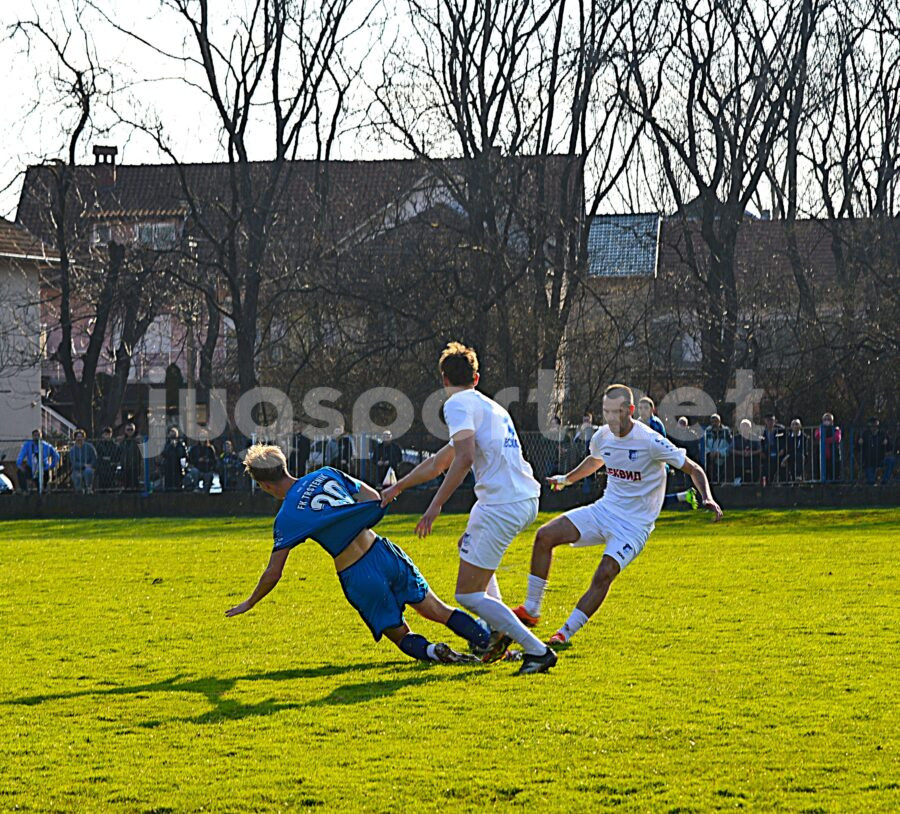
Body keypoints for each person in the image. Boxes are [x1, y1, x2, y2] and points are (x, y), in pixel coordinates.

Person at [381, 342, 556, 675]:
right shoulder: (489, 406)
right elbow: (439, 462)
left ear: (444, 380)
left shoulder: (457, 403)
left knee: (468, 595)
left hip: (501, 504)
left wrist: (434, 506)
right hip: (522, 499)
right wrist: (398, 487)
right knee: (468, 546)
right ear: (476, 378)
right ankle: (500, 633)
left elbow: (463, 459)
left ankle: (537, 650)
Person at [225, 445, 489, 665]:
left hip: (358, 574)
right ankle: (492, 645)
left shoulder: (287, 517)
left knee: (400, 634)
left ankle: (434, 651)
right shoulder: (326, 474)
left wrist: (250, 602)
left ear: (265, 485)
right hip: (383, 552)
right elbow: (372, 497)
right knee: (439, 610)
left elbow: (273, 573)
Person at [513, 383, 723, 645]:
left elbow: (693, 469)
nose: (610, 418)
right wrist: (567, 479)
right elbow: (595, 460)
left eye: (616, 412)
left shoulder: (650, 441)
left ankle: (564, 633)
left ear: (630, 410)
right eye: (606, 411)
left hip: (634, 526)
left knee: (605, 572)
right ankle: (531, 610)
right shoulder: (603, 436)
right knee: (545, 535)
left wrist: (707, 497)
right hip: (604, 510)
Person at [858, 418, 889, 486]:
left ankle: (885, 480)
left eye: (875, 426)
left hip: (880, 458)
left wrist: (887, 443)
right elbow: (857, 448)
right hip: (868, 460)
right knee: (871, 482)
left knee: (891, 460)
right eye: (872, 426)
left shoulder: (883, 434)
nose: (873, 428)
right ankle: (872, 481)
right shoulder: (865, 434)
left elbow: (889, 448)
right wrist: (859, 443)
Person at [703, 414, 732, 485]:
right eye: (712, 422)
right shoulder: (707, 431)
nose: (714, 423)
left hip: (722, 456)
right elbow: (704, 444)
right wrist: (709, 453)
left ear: (720, 421)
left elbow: (730, 445)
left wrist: (720, 453)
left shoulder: (726, 431)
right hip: (710, 456)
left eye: (716, 421)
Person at [814, 413, 842, 481]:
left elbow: (837, 438)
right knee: (822, 472)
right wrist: (828, 440)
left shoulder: (836, 429)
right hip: (822, 455)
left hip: (833, 454)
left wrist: (825, 440)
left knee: (834, 472)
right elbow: (817, 436)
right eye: (825, 419)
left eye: (829, 419)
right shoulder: (819, 429)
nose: (827, 421)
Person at [760, 414, 787, 485]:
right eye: (768, 420)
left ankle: (785, 484)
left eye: (772, 420)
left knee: (782, 467)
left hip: (778, 452)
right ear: (765, 421)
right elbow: (759, 442)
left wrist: (783, 449)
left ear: (775, 421)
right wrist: (761, 451)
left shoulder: (781, 430)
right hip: (766, 453)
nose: (770, 422)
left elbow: (784, 440)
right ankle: (767, 484)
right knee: (766, 468)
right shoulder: (761, 431)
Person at [733, 419, 762, 484]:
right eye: (743, 426)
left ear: (750, 428)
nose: (745, 428)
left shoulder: (755, 437)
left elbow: (760, 449)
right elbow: (731, 449)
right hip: (739, 460)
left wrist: (751, 453)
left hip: (753, 460)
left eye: (747, 426)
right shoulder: (736, 438)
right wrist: (741, 453)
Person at [69, 429, 98, 494]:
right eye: (78, 437)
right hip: (77, 469)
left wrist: (91, 465)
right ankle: (80, 492)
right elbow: (74, 463)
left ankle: (89, 489)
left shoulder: (90, 447)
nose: (79, 438)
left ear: (84, 437)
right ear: (75, 438)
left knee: (88, 471)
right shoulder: (73, 450)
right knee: (77, 476)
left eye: (81, 437)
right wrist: (83, 465)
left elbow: (94, 458)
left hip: (89, 467)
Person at [160, 426, 188, 491]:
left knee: (177, 480)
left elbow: (183, 454)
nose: (172, 434)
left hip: (178, 465)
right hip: (168, 465)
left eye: (174, 433)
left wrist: (176, 447)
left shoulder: (181, 443)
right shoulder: (166, 443)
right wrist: (170, 446)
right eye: (171, 432)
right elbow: (164, 453)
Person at [119, 422, 143, 491]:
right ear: (125, 431)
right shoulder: (123, 441)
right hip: (124, 465)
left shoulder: (137, 440)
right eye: (128, 429)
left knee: (135, 483)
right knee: (125, 483)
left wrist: (139, 441)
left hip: (135, 464)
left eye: (131, 429)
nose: (130, 431)